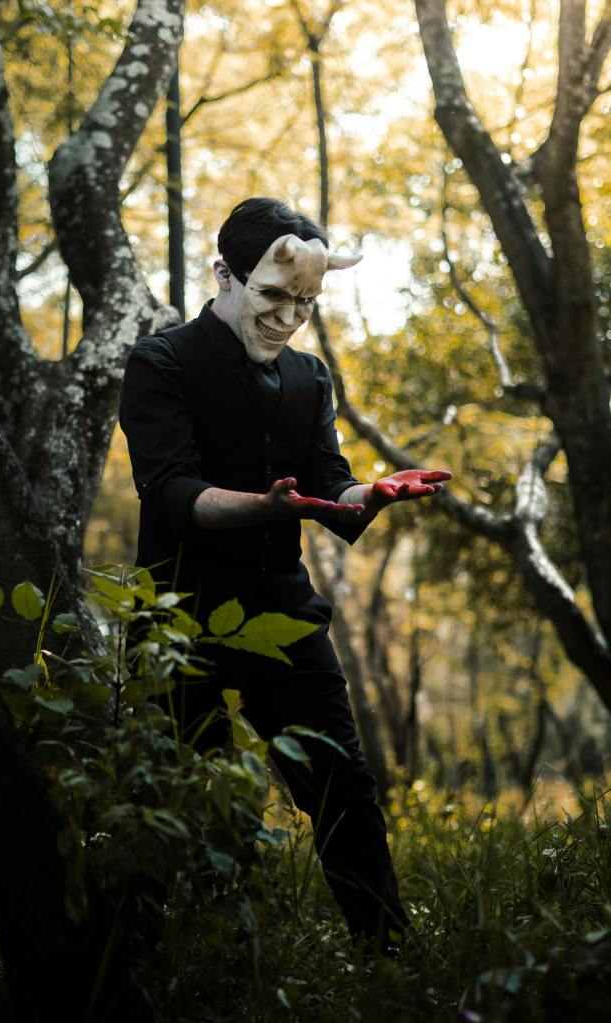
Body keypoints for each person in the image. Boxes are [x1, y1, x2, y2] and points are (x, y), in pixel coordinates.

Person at [119, 197, 451, 953]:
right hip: (176, 617)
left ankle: (388, 954)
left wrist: (371, 495)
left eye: (305, 303)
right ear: (224, 276)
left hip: (283, 613)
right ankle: (162, 963)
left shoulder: (309, 377)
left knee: (342, 784)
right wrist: (263, 506)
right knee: (171, 800)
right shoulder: (161, 362)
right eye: (272, 295)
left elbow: (330, 485)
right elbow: (171, 490)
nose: (288, 317)